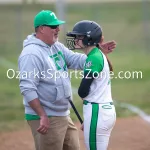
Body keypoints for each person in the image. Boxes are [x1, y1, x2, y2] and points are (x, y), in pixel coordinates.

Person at [18, 10, 116, 150]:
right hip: (47, 117)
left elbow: (76, 60)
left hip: (63, 114)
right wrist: (42, 115)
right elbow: (27, 88)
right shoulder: (31, 54)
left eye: (58, 25)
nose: (58, 29)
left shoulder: (56, 46)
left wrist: (95, 51)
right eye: (53, 26)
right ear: (41, 28)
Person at [66, 20, 116, 150]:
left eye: (79, 36)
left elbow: (83, 91)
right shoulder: (97, 54)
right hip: (102, 111)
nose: (75, 39)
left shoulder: (93, 58)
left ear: (89, 38)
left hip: (97, 112)